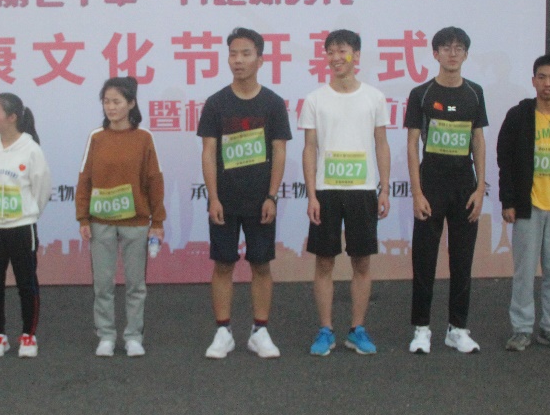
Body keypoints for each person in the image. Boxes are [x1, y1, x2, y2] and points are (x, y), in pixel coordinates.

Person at [198, 28, 293, 360]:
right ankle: (223, 331)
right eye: (233, 54)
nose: (238, 60)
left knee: (261, 264)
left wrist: (272, 196)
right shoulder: (216, 103)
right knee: (223, 264)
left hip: (260, 200)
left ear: (260, 60)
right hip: (224, 201)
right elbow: (208, 152)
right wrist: (213, 197)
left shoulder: (273, 103)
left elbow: (279, 151)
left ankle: (259, 331)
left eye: (246, 54)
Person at [300, 29, 391, 356]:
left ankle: (357, 329)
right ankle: (325, 330)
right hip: (326, 191)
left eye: (343, 51)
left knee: (361, 262)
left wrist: (384, 188)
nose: (336, 58)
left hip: (363, 191)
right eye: (331, 52)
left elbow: (381, 143)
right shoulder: (315, 99)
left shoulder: (374, 97)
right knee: (324, 262)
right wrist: (312, 194)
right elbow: (309, 148)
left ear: (357, 55)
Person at [405, 27, 488, 354]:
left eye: (458, 48)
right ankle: (421, 329)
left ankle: (458, 328)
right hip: (431, 185)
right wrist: (417, 192)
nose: (452, 54)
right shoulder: (421, 94)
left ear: (466, 54)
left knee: (462, 260)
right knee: (424, 259)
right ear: (435, 53)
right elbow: (412, 144)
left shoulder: (474, 93)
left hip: (464, 185)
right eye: (446, 48)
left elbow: (478, 140)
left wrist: (480, 188)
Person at [496, 54, 550, 352]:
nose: (548, 83)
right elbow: (505, 160)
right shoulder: (519, 115)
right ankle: (521, 329)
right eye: (542, 77)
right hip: (528, 207)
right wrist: (508, 201)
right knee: (524, 273)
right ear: (533, 81)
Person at [75, 77, 166, 357]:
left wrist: (157, 222)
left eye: (116, 101)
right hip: (100, 222)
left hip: (135, 223)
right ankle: (106, 335)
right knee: (103, 284)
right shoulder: (96, 138)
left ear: (131, 103)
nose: (111, 107)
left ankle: (133, 336)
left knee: (135, 285)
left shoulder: (144, 138)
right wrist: (83, 218)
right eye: (106, 102)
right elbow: (85, 179)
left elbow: (154, 180)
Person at [0, 93, 52, 358]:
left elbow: (42, 189)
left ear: (12, 117)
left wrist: (28, 214)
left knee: (26, 283)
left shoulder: (30, 149)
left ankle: (28, 335)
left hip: (21, 227)